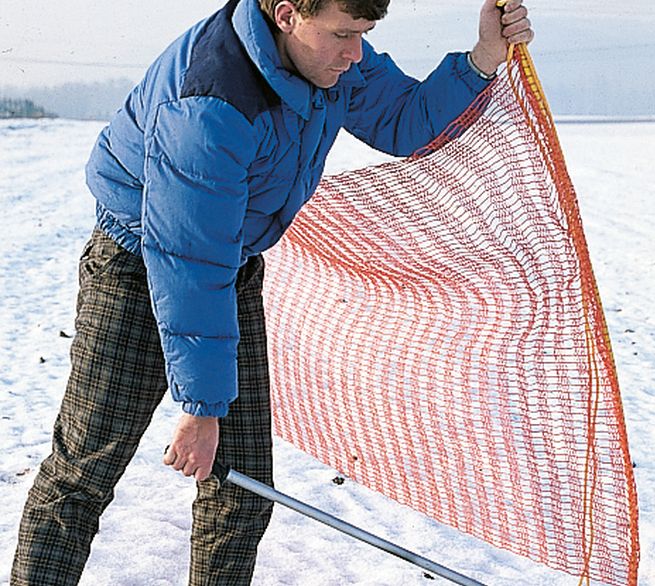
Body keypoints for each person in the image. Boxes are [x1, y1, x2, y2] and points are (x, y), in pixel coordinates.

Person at [11, 0, 533, 583]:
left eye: (362, 34)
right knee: (82, 475)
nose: (355, 53)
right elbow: (189, 261)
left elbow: (402, 119)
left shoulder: (327, 58)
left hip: (223, 265)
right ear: (287, 15)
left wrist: (484, 56)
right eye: (343, 34)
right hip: (135, 266)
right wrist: (201, 410)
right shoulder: (211, 103)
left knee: (243, 488)